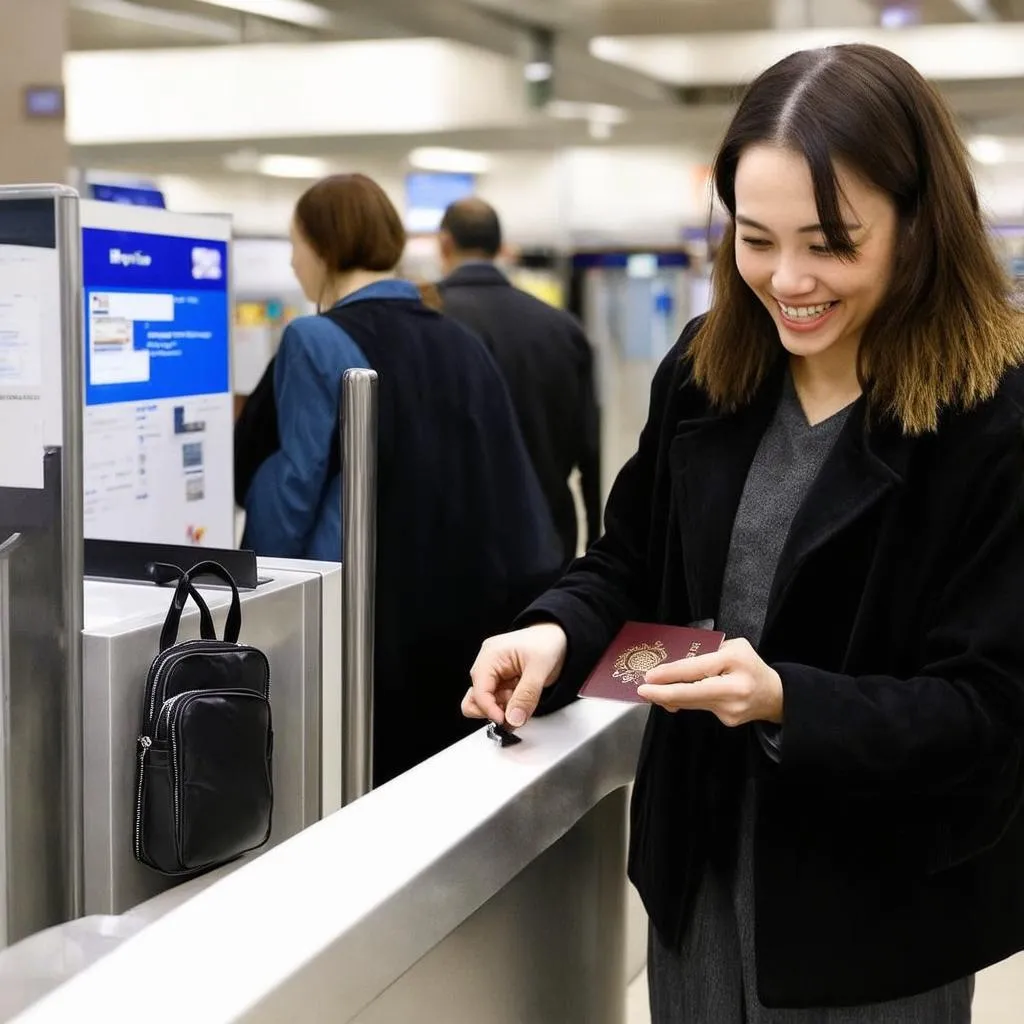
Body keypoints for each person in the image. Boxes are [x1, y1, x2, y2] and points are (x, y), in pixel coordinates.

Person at [463, 43, 1024, 1023]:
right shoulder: (707, 369)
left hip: (876, 914)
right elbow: (630, 556)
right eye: (755, 240)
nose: (787, 279)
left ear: (917, 223)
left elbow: (990, 708)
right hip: (698, 878)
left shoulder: (992, 416)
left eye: (829, 241)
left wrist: (785, 701)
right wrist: (554, 627)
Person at [236, 173, 562, 785]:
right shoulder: (458, 339)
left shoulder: (314, 337)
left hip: (366, 630)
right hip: (460, 629)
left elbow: (292, 495)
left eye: (295, 244)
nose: (291, 260)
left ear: (325, 247)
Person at [437, 198, 602, 566]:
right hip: (548, 542)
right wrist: (595, 544)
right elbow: (590, 447)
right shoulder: (562, 328)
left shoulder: (426, 322)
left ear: (444, 243)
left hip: (454, 549)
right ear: (499, 247)